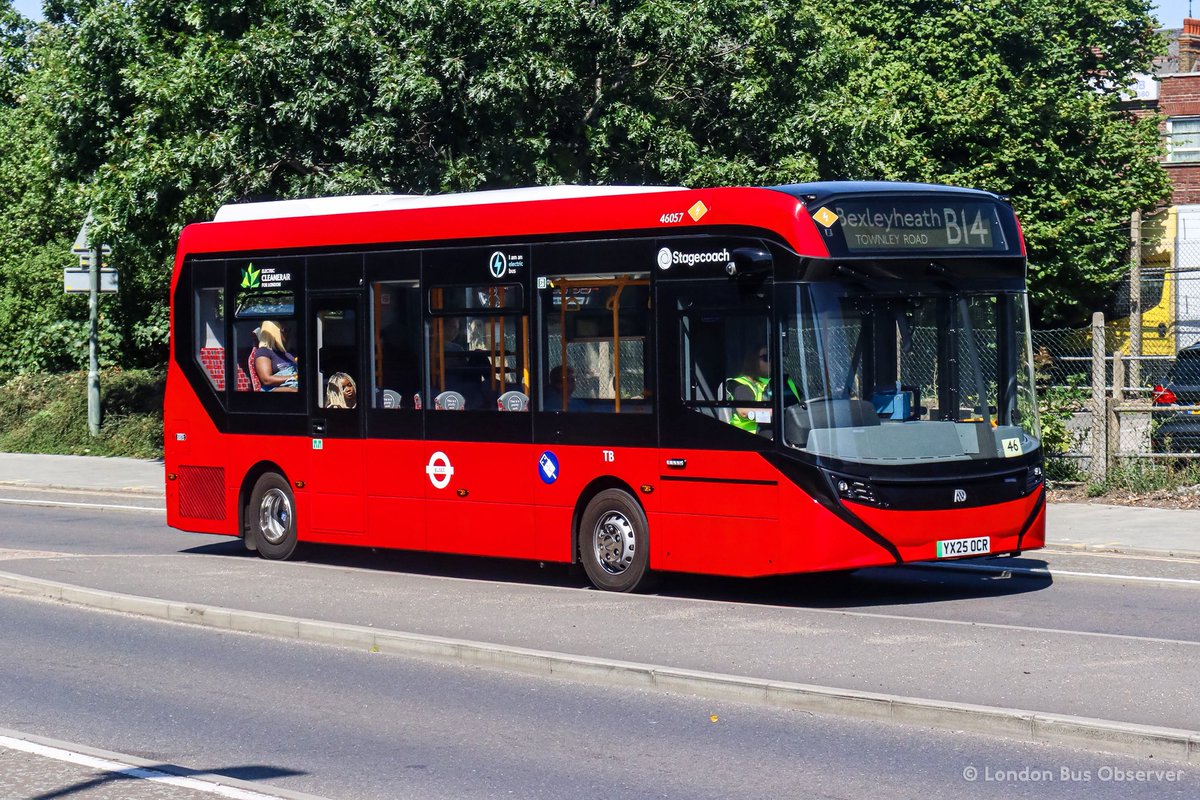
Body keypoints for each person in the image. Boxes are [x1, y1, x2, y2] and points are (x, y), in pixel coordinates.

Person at [726, 345, 772, 433]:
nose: (771, 362)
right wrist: (774, 413)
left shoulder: (762, 384)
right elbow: (744, 411)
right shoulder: (741, 385)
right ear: (753, 361)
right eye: (766, 358)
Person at [253, 320, 298, 392]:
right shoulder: (263, 351)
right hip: (275, 389)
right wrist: (294, 377)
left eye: (289, 330)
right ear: (274, 332)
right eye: (285, 330)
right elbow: (266, 380)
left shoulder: (288, 353)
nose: (288, 333)